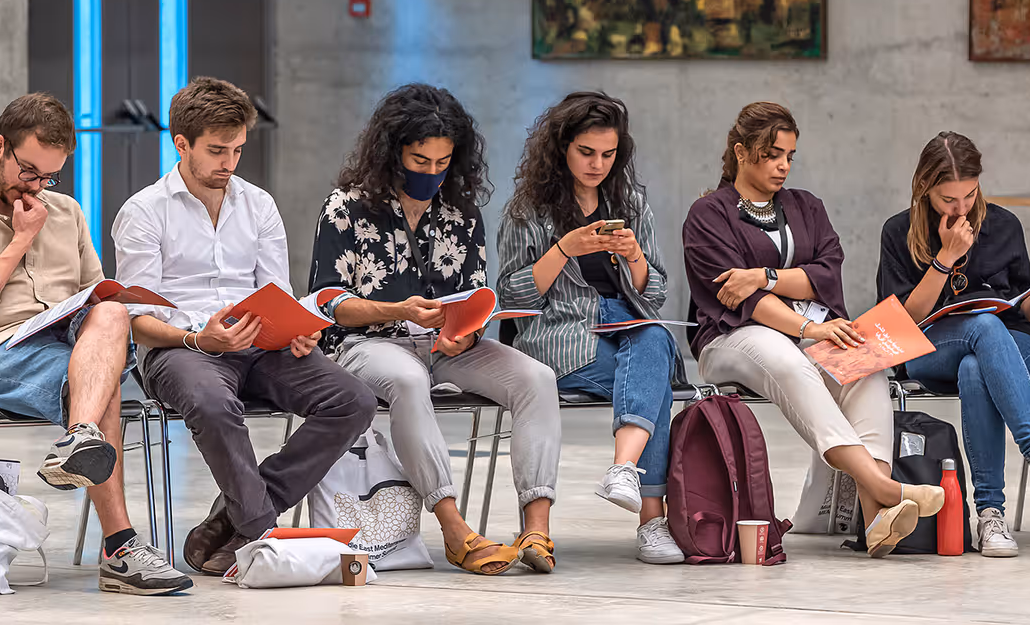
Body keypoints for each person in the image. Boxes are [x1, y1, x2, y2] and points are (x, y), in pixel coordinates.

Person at [0, 94, 191, 595]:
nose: (38, 187)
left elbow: (97, 290)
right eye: (28, 172)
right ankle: (121, 550)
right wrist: (20, 240)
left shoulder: (65, 211)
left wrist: (101, 303)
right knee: (102, 384)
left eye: (49, 177)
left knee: (110, 312)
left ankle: (79, 437)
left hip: (65, 347)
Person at [112, 77, 378, 575]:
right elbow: (138, 322)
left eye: (237, 150)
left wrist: (298, 328)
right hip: (181, 349)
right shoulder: (144, 213)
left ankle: (231, 520)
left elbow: (274, 294)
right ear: (181, 144)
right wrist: (198, 337)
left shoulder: (258, 205)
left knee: (353, 400)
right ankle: (261, 536)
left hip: (261, 345)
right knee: (214, 403)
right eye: (217, 151)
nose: (229, 163)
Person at [308, 83, 561, 575]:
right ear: (391, 152)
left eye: (443, 163)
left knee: (537, 379)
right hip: (367, 344)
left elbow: (474, 294)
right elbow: (328, 302)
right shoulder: (346, 207)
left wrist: (464, 333)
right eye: (420, 161)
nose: (431, 173)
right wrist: (394, 309)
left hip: (445, 346)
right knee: (408, 380)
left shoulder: (461, 213)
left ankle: (537, 528)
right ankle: (453, 528)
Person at [683, 102, 944, 559]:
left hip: (808, 330)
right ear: (742, 153)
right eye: (772, 154)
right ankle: (885, 485)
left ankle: (877, 514)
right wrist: (805, 323)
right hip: (730, 337)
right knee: (785, 358)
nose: (784, 164)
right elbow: (741, 300)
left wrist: (762, 275)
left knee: (865, 364)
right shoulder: (708, 214)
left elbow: (826, 272)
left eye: (790, 155)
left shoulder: (806, 206)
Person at [877, 131, 1030, 557]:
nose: (961, 208)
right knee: (983, 328)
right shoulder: (898, 231)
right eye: (948, 199)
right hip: (930, 350)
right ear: (924, 189)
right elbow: (904, 323)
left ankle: (990, 517)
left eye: (969, 196)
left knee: (978, 360)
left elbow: (1023, 317)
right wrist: (945, 260)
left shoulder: (1003, 225)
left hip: (1012, 346)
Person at [497, 92, 685, 565]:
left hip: (629, 327)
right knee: (654, 372)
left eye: (608, 153)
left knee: (654, 340)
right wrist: (564, 248)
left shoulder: (630, 201)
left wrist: (634, 255)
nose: (597, 164)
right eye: (586, 152)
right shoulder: (528, 210)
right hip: (562, 337)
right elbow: (514, 300)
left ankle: (623, 468)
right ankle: (651, 519)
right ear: (562, 147)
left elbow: (655, 292)